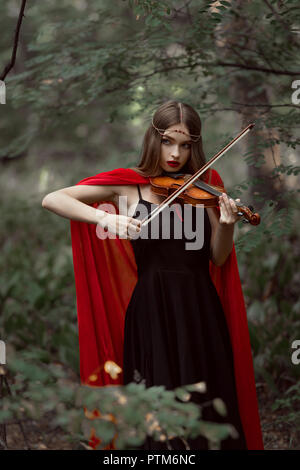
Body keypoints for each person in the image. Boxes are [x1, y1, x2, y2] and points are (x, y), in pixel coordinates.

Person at [41, 100, 264, 450]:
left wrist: (226, 227)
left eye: (186, 144)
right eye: (168, 142)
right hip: (151, 309)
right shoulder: (130, 185)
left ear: (195, 145)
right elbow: (53, 199)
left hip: (199, 308)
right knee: (155, 408)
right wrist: (105, 218)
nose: (176, 153)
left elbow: (218, 259)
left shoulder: (207, 185)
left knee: (206, 405)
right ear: (153, 139)